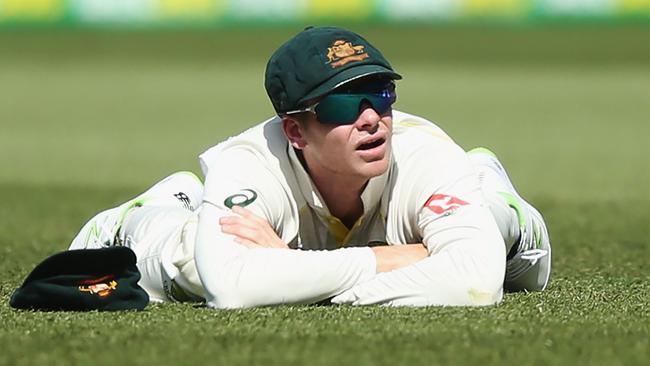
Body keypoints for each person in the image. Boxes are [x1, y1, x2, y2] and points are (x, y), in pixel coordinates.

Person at [68, 26, 551, 308]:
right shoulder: (251, 158)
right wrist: (403, 258)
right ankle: (154, 210)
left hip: (483, 218)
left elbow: (477, 283)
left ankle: (484, 175)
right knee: (189, 266)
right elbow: (233, 289)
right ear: (296, 131)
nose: (372, 119)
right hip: (219, 225)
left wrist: (297, 274)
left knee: (499, 233)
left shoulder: (423, 149)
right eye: (343, 106)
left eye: (382, 94)